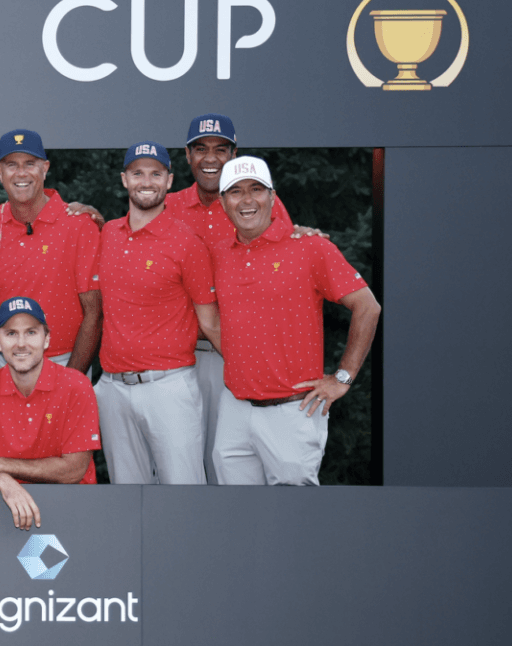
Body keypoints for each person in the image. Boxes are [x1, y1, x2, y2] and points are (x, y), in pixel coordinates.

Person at [210, 157, 381, 485]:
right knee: (236, 510)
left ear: (272, 196)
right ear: (223, 202)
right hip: (234, 408)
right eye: (235, 192)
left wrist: (343, 378)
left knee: (294, 513)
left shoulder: (311, 247)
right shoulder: (219, 253)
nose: (246, 200)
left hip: (293, 411)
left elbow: (367, 306)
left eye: (256, 189)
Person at [168, 113, 292, 484]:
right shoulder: (167, 205)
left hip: (237, 356)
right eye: (201, 149)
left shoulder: (261, 204)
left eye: (221, 149)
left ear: (234, 154)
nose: (211, 158)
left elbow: (287, 256)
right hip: (176, 359)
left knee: (230, 465)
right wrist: (91, 215)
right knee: (182, 468)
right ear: (187, 155)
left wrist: (304, 233)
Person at [94, 142, 221, 485]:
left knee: (183, 496)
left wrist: (251, 372)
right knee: (127, 496)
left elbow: (210, 322)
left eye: (156, 174)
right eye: (138, 173)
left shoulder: (187, 243)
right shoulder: (107, 234)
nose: (146, 182)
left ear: (169, 181)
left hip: (169, 387)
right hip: (113, 389)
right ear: (124, 179)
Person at [0, 298, 102, 531]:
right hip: (8, 505)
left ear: (46, 339)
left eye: (31, 332)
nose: (21, 344)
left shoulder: (76, 385)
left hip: (73, 506)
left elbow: (74, 470)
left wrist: (4, 466)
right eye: (11, 334)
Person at [0, 130, 101, 375]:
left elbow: (94, 314)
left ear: (45, 168)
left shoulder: (79, 224)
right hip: (2, 359)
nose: (21, 173)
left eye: (30, 164)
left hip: (61, 360)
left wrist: (72, 378)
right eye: (12, 165)